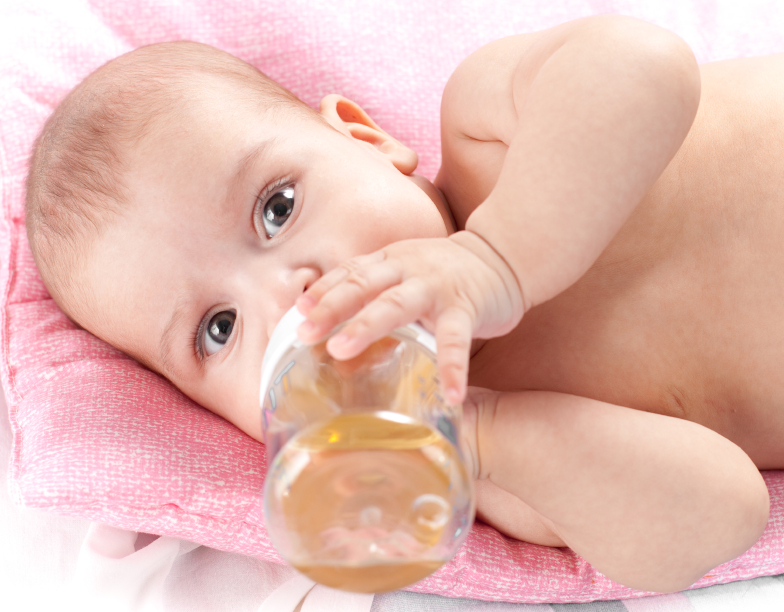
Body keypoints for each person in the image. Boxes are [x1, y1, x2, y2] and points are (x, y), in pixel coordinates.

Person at [24, 14, 778, 593]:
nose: (294, 292)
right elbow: (724, 516)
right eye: (219, 328)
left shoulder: (490, 138)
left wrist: (497, 262)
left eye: (277, 208)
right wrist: (477, 436)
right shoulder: (503, 471)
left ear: (367, 137)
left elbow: (644, 65)